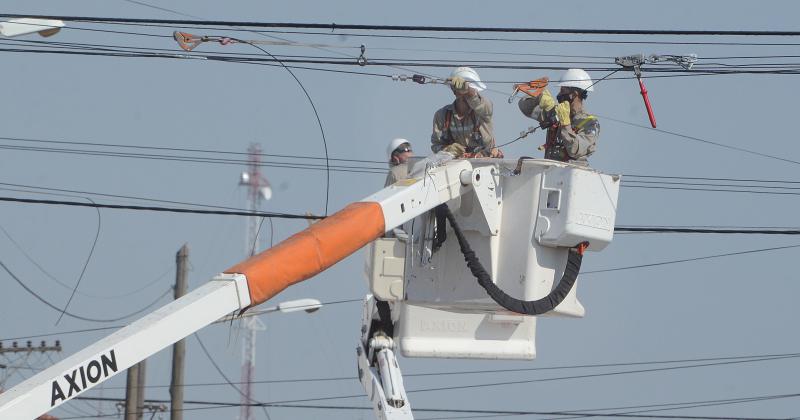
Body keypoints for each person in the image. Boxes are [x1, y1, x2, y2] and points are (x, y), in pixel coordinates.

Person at [518, 68, 599, 166]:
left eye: (563, 91)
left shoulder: (590, 123)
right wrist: (538, 96)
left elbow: (575, 150)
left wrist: (566, 125)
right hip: (551, 172)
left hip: (572, 174)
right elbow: (525, 107)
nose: (558, 95)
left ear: (574, 94)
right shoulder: (556, 112)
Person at [431, 67, 501, 158]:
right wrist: (447, 150)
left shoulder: (483, 112)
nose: (464, 94)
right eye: (460, 90)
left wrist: (468, 91)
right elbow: (436, 146)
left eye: (469, 90)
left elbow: (486, 107)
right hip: (455, 168)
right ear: (453, 91)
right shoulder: (442, 115)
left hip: (485, 165)